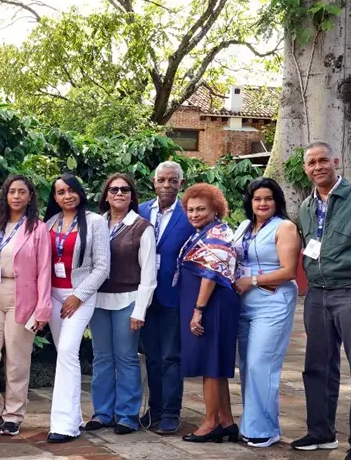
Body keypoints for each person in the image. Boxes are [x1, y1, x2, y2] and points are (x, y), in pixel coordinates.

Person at [293, 142, 351, 460]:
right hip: (318, 295)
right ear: (306, 168)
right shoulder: (306, 206)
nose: (318, 166)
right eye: (312, 162)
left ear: (335, 161)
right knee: (317, 366)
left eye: (323, 160)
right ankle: (321, 433)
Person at [0, 174, 52, 436]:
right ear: (5, 196)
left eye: (22, 192)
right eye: (11, 192)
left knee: (17, 359)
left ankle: (13, 415)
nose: (16, 196)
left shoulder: (37, 228)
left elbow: (44, 270)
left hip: (22, 296)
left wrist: (42, 308)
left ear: (30, 198)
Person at [234, 178, 300, 448]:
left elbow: (289, 271)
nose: (262, 203)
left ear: (277, 201)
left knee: (262, 364)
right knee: (246, 365)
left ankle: (265, 430)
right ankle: (252, 424)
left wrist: (253, 281)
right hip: (243, 303)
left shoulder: (285, 227)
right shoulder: (243, 227)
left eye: (268, 199)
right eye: (257, 199)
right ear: (250, 202)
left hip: (272, 302)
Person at [43, 175, 109, 443]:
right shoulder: (49, 223)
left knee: (68, 352)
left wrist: (78, 296)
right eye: (60, 192)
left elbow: (102, 267)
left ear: (80, 192)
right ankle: (74, 417)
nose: (66, 196)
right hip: (53, 296)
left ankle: (63, 425)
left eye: (71, 190)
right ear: (55, 198)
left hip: (79, 296)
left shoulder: (95, 222)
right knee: (65, 355)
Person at [88, 173, 155, 435]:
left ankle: (127, 415)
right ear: (105, 195)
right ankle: (102, 413)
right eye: (113, 189)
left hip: (128, 300)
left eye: (125, 190)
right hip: (98, 301)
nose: (119, 194)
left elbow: (148, 274)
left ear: (132, 195)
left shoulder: (142, 227)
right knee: (102, 357)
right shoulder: (96, 224)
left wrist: (140, 309)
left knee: (126, 358)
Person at [178, 183, 241, 444]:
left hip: (212, 305)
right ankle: (226, 421)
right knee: (213, 364)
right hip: (209, 305)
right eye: (190, 209)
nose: (194, 214)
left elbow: (211, 275)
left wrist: (198, 310)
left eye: (201, 209)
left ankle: (210, 422)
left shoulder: (217, 233)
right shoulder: (204, 232)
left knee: (210, 365)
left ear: (216, 208)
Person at [138, 161, 193, 435]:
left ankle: (171, 412)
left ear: (180, 184)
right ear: (154, 182)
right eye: (162, 180)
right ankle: (155, 409)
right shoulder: (141, 211)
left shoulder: (189, 213)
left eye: (173, 181)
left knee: (172, 356)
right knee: (152, 357)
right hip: (145, 297)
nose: (167, 185)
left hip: (174, 295)